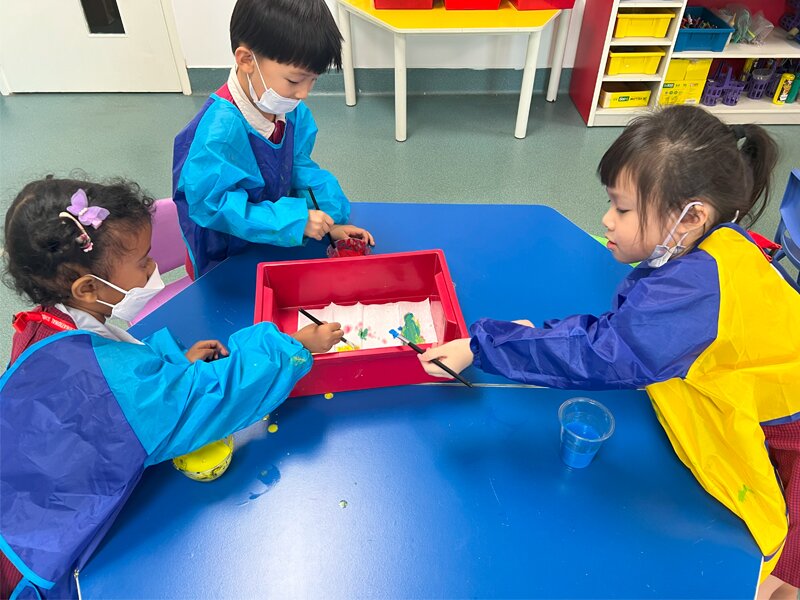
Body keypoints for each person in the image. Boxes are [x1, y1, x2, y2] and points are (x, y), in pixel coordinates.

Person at [419, 106, 800, 598]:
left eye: (622, 209)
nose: (606, 220)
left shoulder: (695, 290)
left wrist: (483, 345)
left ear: (691, 217)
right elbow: (626, 330)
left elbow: (604, 353)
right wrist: (530, 335)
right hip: (770, 400)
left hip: (790, 430)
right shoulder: (714, 246)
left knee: (776, 573)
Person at [0, 177, 343, 599]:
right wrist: (292, 345)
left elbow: (114, 373)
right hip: (39, 561)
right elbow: (215, 397)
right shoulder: (124, 391)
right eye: (144, 262)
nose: (153, 270)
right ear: (87, 288)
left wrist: (173, 362)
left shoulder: (43, 324)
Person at [172, 0, 374, 278]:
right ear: (246, 60)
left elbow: (296, 167)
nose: (303, 93)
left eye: (312, 81)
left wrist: (328, 223)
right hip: (226, 257)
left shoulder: (287, 108)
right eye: (294, 81)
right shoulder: (220, 130)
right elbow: (214, 206)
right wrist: (294, 220)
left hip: (271, 239)